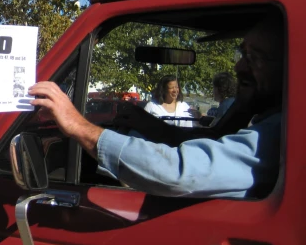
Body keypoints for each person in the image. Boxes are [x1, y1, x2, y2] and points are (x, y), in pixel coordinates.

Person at [29, 14, 283, 199]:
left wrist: (77, 125)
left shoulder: (276, 133)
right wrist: (145, 122)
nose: (239, 67)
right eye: (243, 55)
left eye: (256, 57)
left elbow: (178, 171)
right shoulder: (265, 121)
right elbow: (211, 139)